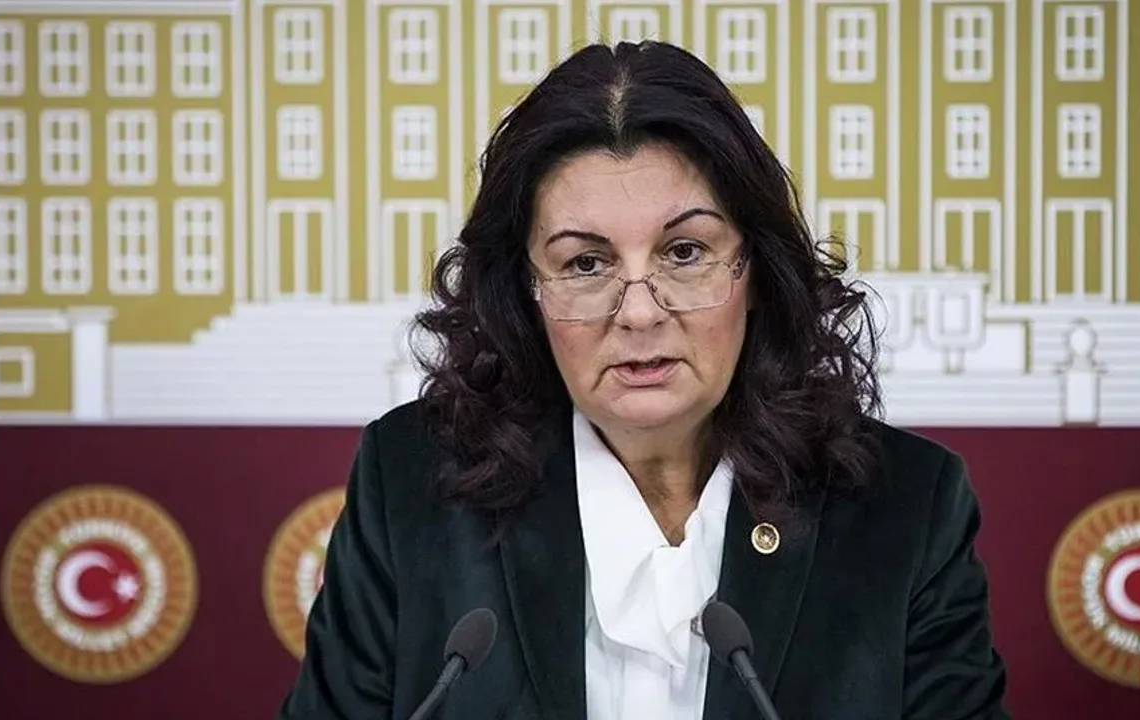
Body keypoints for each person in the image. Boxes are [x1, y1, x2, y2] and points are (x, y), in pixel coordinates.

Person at [276, 40, 1010, 720]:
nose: (638, 312)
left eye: (684, 252)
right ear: (526, 294)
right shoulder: (410, 490)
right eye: (585, 264)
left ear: (756, 270)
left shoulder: (907, 510)